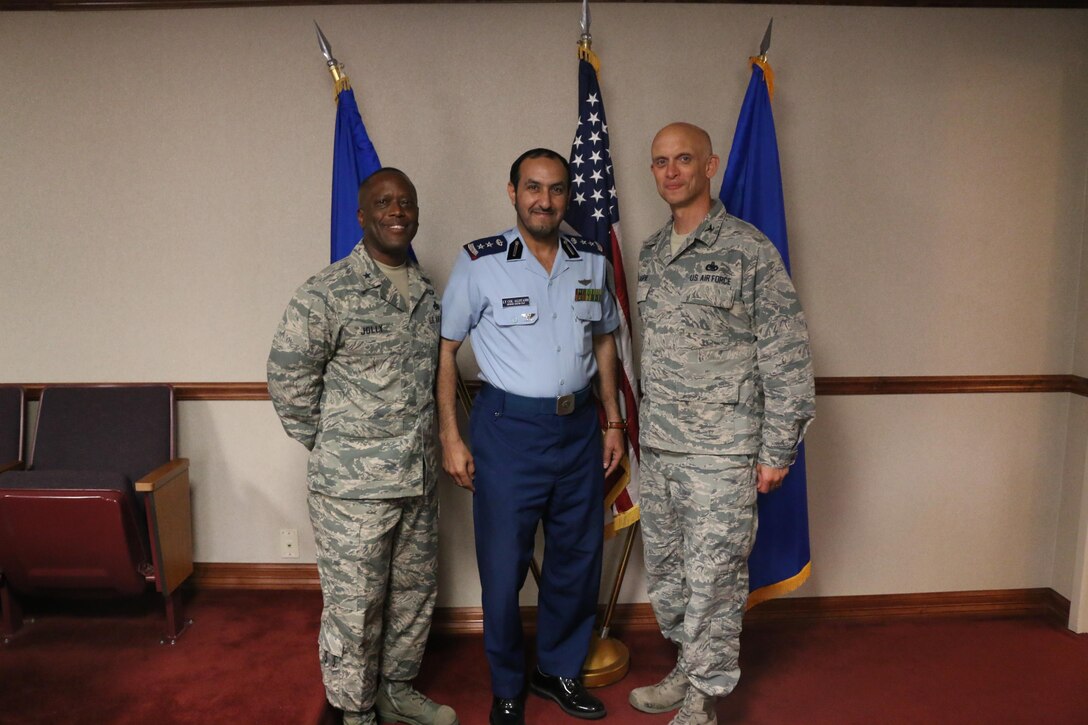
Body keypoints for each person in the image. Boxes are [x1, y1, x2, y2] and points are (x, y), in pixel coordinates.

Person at [629, 123, 815, 725]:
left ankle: (705, 698)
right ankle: (686, 669)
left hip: (722, 453)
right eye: (660, 162)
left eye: (684, 159)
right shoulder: (651, 253)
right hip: (660, 449)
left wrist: (777, 449)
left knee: (714, 579)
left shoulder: (748, 249)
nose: (671, 171)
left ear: (712, 165)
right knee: (671, 573)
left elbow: (785, 353)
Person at [436, 148, 625, 725]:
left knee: (576, 558)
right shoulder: (480, 262)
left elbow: (603, 341)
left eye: (557, 189)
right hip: (507, 430)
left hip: (578, 430)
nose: (545, 200)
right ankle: (508, 684)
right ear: (513, 191)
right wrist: (451, 435)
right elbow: (446, 349)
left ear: (568, 195)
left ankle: (558, 670)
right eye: (533, 188)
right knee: (504, 564)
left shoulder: (590, 260)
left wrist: (613, 419)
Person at [267, 168, 457, 725]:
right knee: (355, 608)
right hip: (352, 490)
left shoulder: (426, 292)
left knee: (413, 594)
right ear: (362, 215)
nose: (396, 211)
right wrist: (334, 446)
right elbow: (287, 380)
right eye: (383, 202)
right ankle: (355, 712)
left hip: (417, 479)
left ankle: (396, 690)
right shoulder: (326, 292)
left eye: (406, 202)